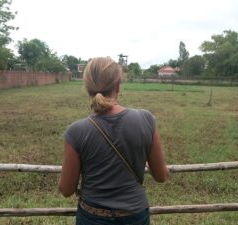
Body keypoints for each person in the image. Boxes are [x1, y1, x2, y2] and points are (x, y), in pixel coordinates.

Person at [59, 57, 169, 225]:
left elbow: (66, 190)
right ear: (118, 85)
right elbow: (161, 176)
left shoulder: (75, 131)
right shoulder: (146, 119)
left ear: (87, 87)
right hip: (135, 215)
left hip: (92, 217)